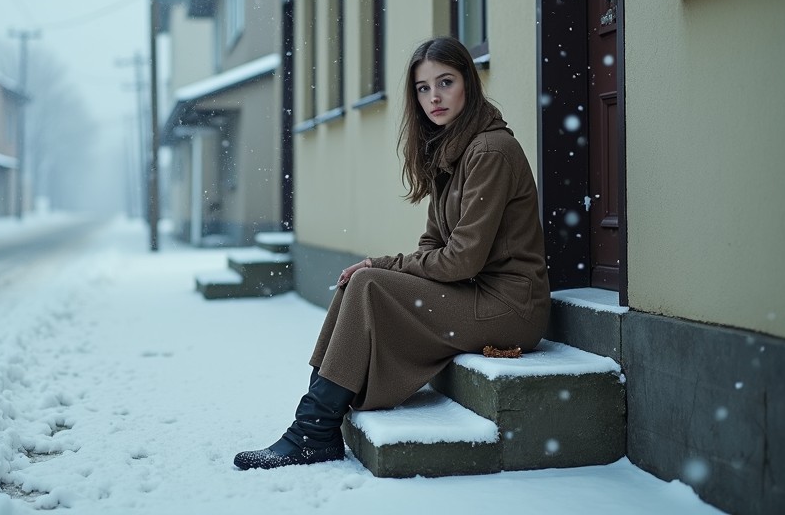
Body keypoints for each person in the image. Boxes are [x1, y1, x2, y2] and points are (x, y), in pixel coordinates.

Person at [234, 36, 551, 471]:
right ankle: (312, 427)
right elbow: (433, 245)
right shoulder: (452, 150)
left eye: (445, 82)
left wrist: (383, 265)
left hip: (511, 306)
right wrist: (389, 269)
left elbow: (462, 259)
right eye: (423, 88)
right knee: (357, 283)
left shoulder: (490, 151)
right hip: (477, 292)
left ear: (468, 86)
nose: (434, 97)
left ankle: (312, 430)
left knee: (368, 281)